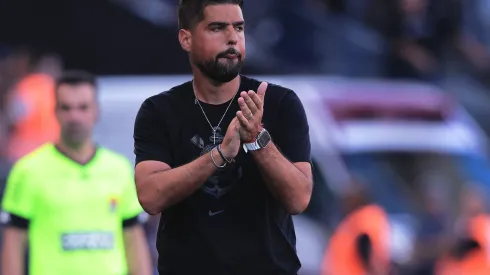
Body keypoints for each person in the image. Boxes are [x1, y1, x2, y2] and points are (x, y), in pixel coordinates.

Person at [133, 0, 313, 274]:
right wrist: (219, 155)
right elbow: (150, 197)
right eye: (217, 28)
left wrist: (257, 138)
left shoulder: (280, 103)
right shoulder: (159, 111)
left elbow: (299, 199)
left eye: (239, 28)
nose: (232, 38)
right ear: (186, 39)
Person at [0, 70, 153, 275]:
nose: (74, 116)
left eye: (83, 107)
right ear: (55, 111)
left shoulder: (119, 170)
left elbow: (133, 240)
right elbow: (13, 243)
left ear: (96, 111)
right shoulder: (27, 171)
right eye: (66, 108)